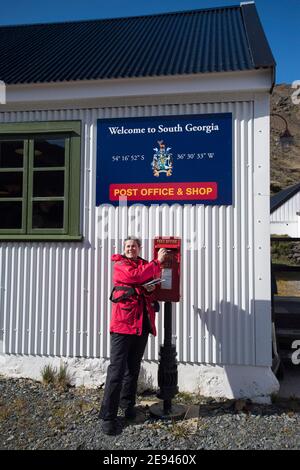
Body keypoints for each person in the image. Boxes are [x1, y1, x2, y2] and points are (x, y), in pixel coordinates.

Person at [99, 236, 168, 435]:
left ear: (139, 248)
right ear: (124, 248)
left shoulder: (145, 265)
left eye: (134, 246)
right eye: (128, 246)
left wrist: (150, 287)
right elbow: (134, 277)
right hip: (123, 325)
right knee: (116, 371)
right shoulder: (120, 263)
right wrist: (157, 263)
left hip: (141, 325)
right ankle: (108, 416)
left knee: (133, 369)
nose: (130, 249)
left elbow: (151, 284)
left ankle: (127, 406)